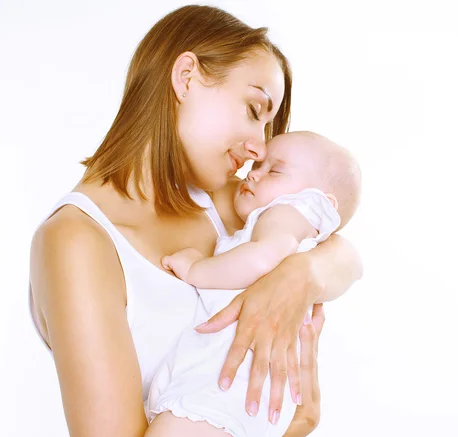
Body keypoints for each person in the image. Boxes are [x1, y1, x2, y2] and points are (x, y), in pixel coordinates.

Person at [28, 5, 363, 437]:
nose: (260, 148)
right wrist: (299, 426)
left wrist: (301, 274)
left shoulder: (225, 201)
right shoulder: (76, 242)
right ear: (186, 77)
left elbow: (345, 252)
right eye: (253, 109)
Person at [145, 132, 361, 437]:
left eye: (273, 170)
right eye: (256, 167)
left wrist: (196, 268)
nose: (253, 175)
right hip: (235, 397)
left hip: (225, 392)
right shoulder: (283, 226)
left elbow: (262, 259)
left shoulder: (287, 213)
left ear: (319, 203)